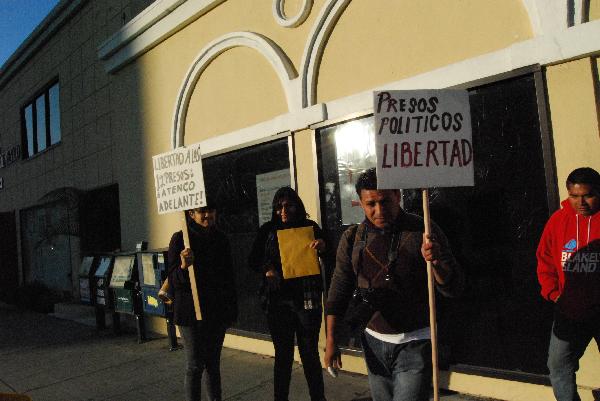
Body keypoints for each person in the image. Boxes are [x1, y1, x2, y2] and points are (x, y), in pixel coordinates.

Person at [324, 168, 464, 401]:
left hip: (415, 342)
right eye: (371, 204)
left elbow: (453, 287)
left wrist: (437, 262)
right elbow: (338, 290)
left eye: (385, 201)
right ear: (360, 202)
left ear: (397, 196)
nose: (379, 211)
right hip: (372, 342)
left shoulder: (424, 230)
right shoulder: (352, 238)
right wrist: (330, 340)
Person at [248, 186, 328, 401]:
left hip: (306, 301)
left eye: (288, 205)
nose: (283, 211)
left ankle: (318, 398)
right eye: (278, 207)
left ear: (297, 206)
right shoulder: (267, 230)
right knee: (283, 356)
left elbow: (329, 251)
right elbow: (252, 259)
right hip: (278, 302)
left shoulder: (310, 227)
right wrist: (267, 269)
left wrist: (322, 246)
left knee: (310, 354)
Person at [536, 167, 600, 401]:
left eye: (587, 195)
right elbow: (544, 260)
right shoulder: (558, 221)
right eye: (574, 196)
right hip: (569, 310)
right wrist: (554, 294)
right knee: (558, 365)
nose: (580, 202)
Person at [167, 205, 237, 401]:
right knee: (195, 364)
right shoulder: (180, 239)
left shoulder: (221, 239)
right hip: (190, 313)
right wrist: (183, 265)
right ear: (191, 213)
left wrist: (232, 310)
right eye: (202, 211)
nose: (208, 215)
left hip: (216, 311)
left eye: (211, 210)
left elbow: (228, 277)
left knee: (212, 364)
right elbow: (173, 279)